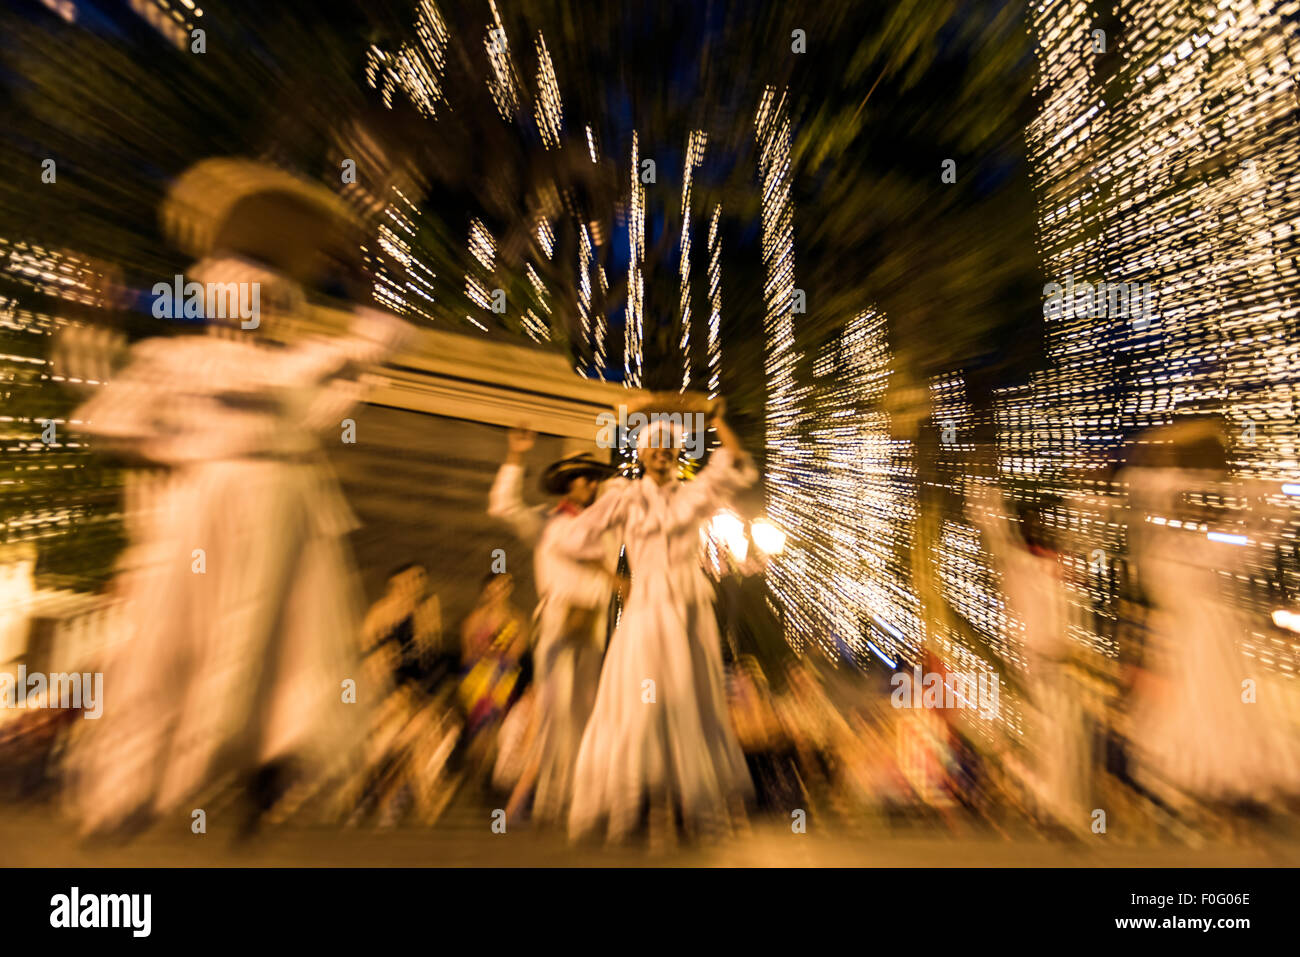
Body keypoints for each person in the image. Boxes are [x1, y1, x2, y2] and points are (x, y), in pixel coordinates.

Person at [65, 160, 412, 839]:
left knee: (283, 649)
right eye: (244, 299)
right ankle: (130, 789)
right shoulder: (178, 361)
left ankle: (263, 775)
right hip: (205, 508)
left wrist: (365, 272)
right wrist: (86, 321)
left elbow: (374, 345)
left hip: (282, 510)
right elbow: (110, 419)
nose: (258, 312)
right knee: (168, 645)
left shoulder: (295, 364)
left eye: (269, 301)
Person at [560, 399, 757, 848]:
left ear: (678, 453)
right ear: (643, 454)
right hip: (648, 606)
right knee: (642, 701)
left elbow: (739, 465)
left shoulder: (694, 493)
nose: (662, 452)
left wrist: (716, 420)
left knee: (689, 698)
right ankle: (639, 805)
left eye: (670, 446)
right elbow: (576, 537)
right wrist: (614, 577)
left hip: (688, 608)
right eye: (654, 446)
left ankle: (685, 807)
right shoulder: (624, 497)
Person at [487, 429, 618, 825]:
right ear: (567, 483)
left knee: (587, 712)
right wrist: (515, 455)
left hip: (593, 625)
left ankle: (577, 798)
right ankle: (533, 798)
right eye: (583, 476)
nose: (591, 483)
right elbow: (503, 506)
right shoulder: (547, 523)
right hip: (560, 620)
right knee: (553, 711)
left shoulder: (608, 525)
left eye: (595, 477)